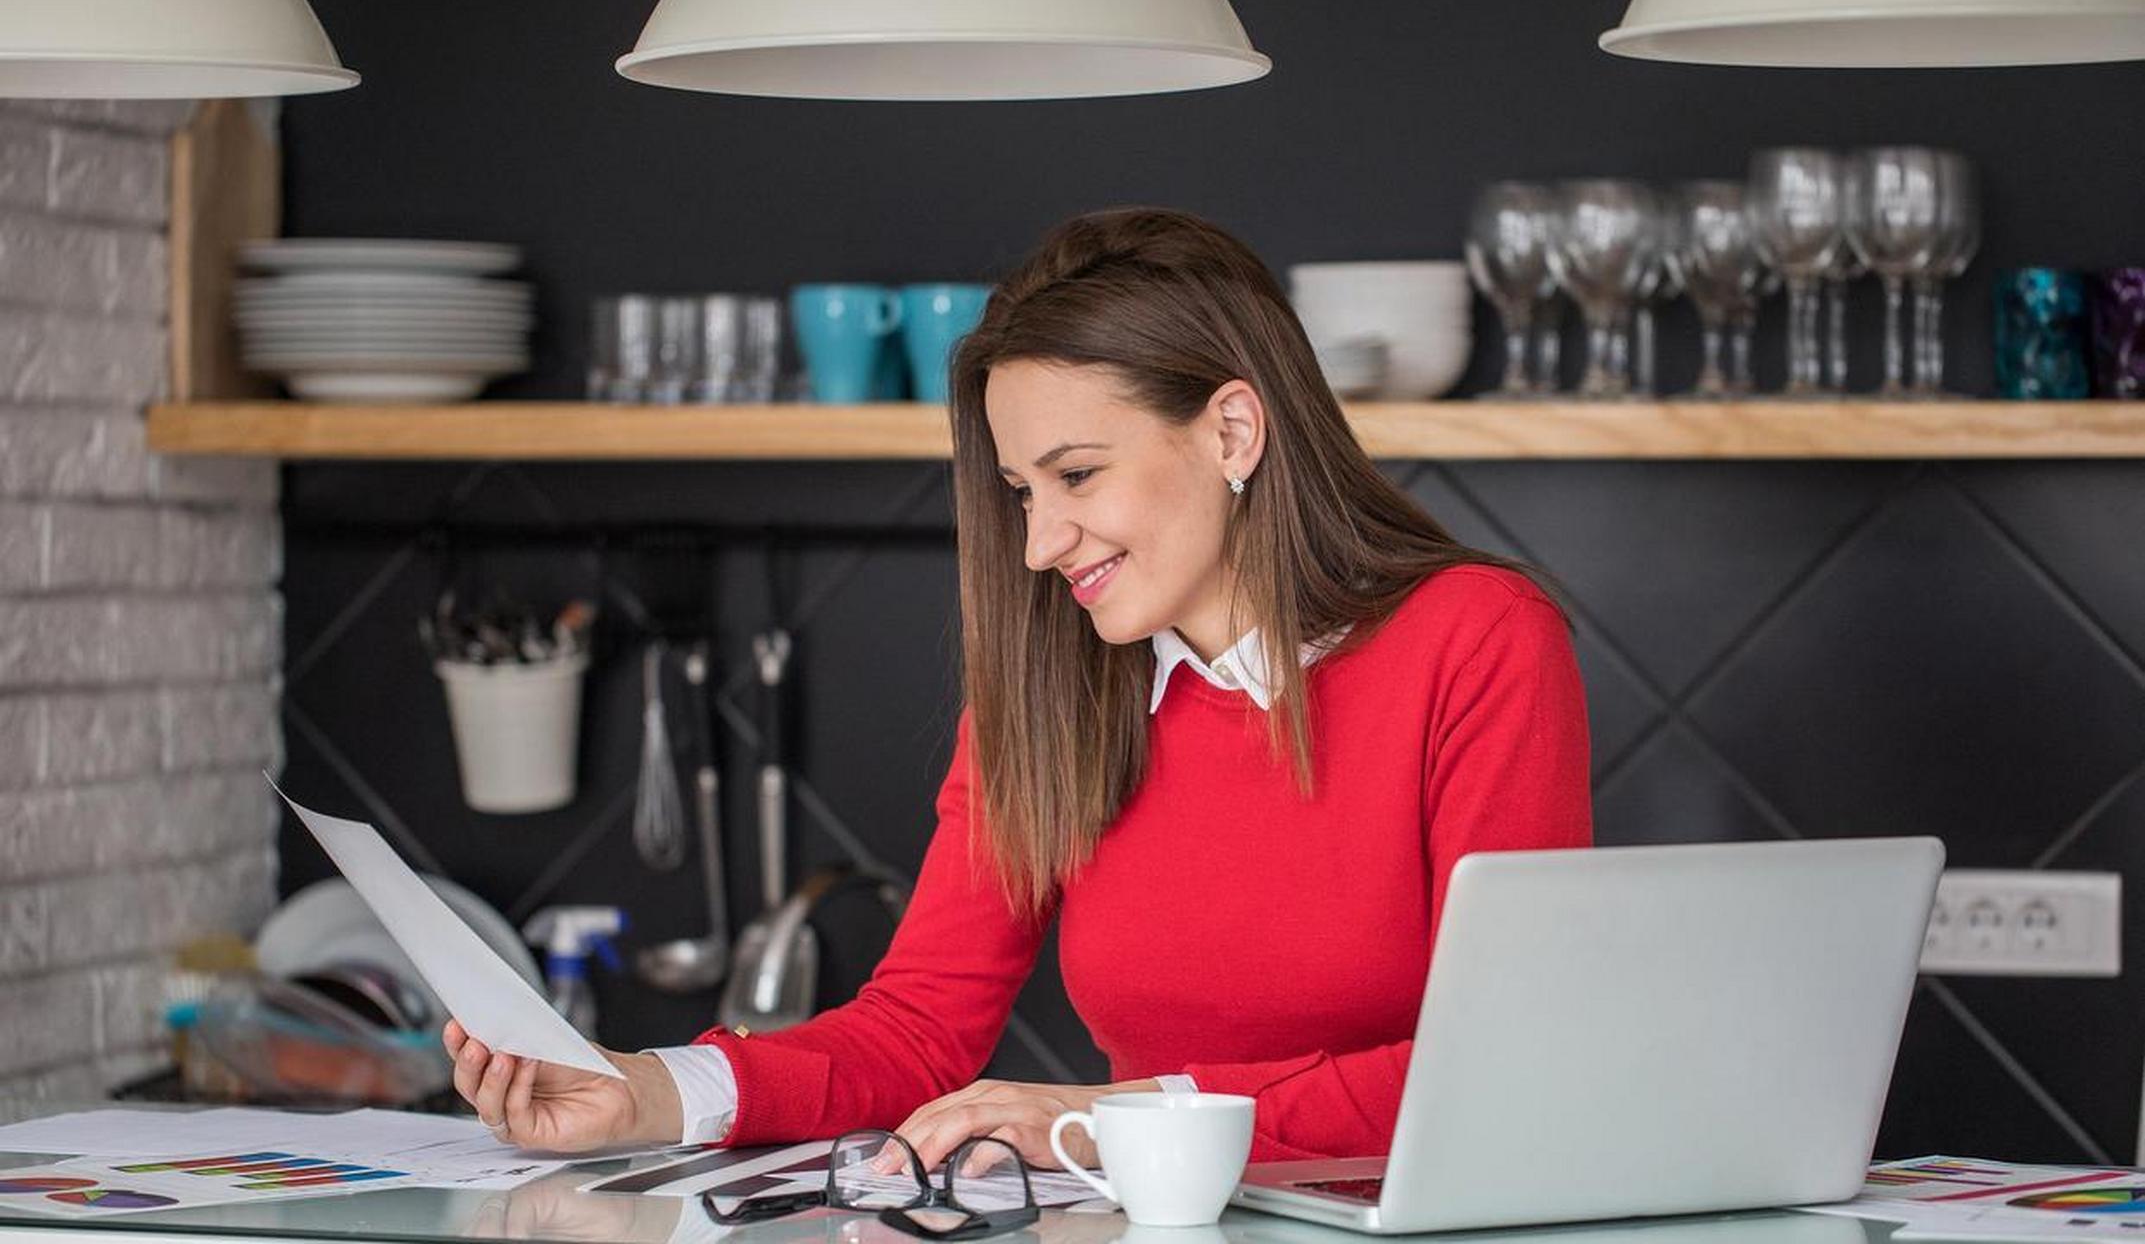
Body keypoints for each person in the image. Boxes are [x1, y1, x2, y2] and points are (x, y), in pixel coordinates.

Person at [445, 206, 1592, 1172]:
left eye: (1077, 475)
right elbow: (917, 1027)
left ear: (1234, 428)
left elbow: (1500, 1062)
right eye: (1017, 491)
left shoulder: (1477, 639)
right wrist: (647, 1090)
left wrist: (1105, 1122)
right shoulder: (1053, 687)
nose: (1040, 542)